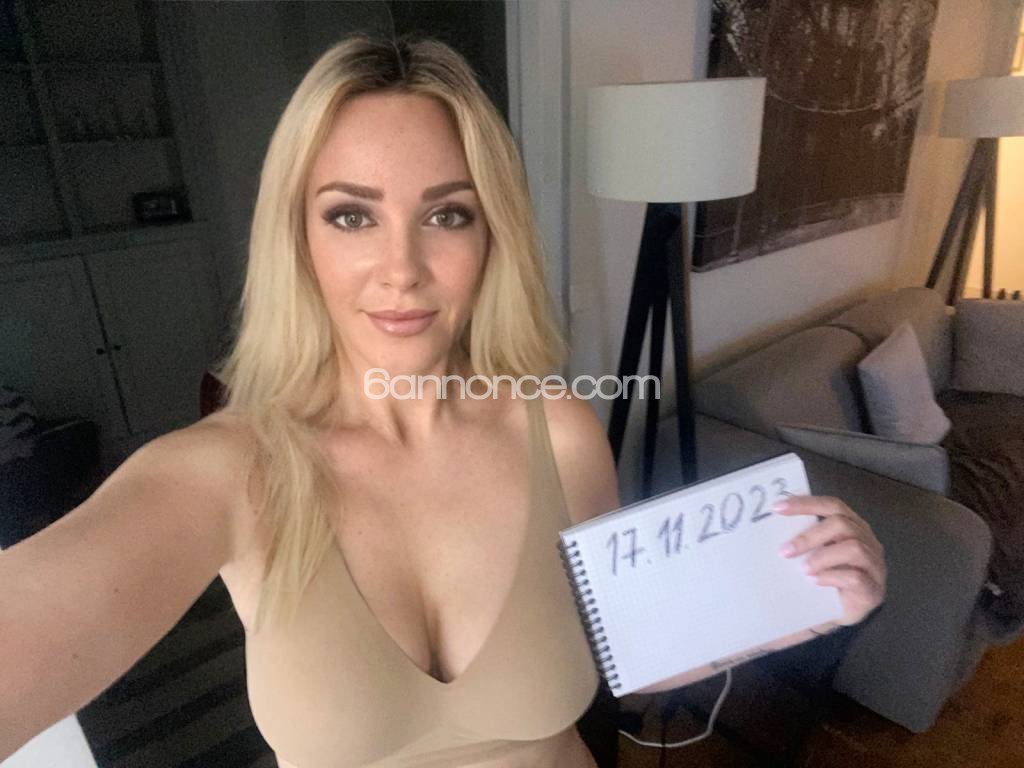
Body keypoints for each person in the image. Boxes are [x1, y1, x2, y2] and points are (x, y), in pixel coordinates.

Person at [0, 34, 886, 768]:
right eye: (352, 215)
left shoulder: (559, 430)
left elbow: (630, 655)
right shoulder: (226, 472)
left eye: (447, 214)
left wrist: (785, 599)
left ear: (492, 233)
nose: (403, 269)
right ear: (297, 238)